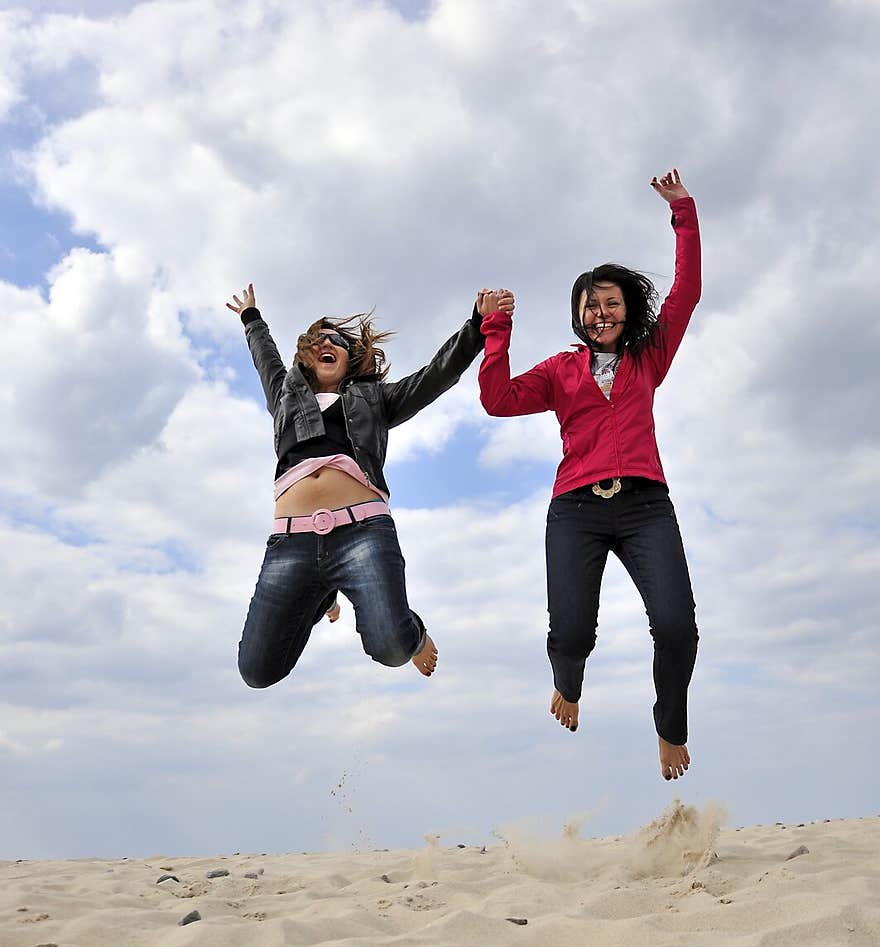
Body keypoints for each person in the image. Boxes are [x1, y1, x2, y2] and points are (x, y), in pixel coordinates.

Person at [478, 169, 700, 781]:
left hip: (646, 506)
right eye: (591, 304)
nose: (601, 312)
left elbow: (686, 294)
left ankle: (670, 727)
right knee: (573, 632)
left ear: (627, 312)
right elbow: (498, 399)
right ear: (578, 314)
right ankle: (568, 684)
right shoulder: (559, 371)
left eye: (611, 303)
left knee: (679, 627)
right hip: (576, 508)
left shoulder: (649, 357)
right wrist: (495, 331)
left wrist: (683, 212)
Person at [227, 284, 514, 689]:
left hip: (361, 534)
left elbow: (435, 376)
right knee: (256, 672)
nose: (328, 343)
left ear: (351, 359)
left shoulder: (375, 399)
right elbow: (265, 359)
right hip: (292, 544)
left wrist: (475, 326)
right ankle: (321, 595)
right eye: (320, 340)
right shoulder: (285, 395)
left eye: (338, 341)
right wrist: (251, 318)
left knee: (392, 648)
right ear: (306, 356)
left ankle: (412, 632)